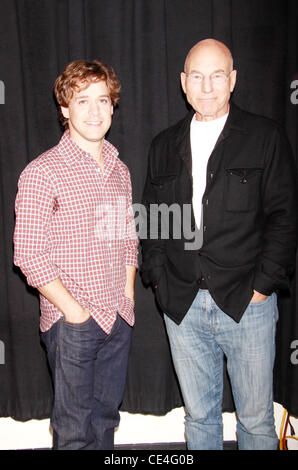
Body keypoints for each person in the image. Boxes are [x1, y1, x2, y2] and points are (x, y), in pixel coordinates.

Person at [141, 39, 297, 450]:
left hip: (248, 304)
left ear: (233, 80)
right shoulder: (163, 145)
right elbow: (152, 221)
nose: (206, 86)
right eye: (197, 76)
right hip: (182, 305)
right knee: (199, 419)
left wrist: (262, 287)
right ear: (182, 82)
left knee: (257, 422)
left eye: (216, 75)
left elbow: (284, 217)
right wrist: (158, 278)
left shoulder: (265, 136)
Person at [13, 60, 138, 450]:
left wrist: (128, 296)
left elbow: (129, 237)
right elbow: (29, 254)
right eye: (82, 101)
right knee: (73, 434)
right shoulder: (41, 172)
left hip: (118, 317)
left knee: (105, 423)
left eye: (103, 100)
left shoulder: (121, 170)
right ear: (65, 109)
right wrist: (74, 312)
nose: (95, 111)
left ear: (113, 107)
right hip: (73, 325)